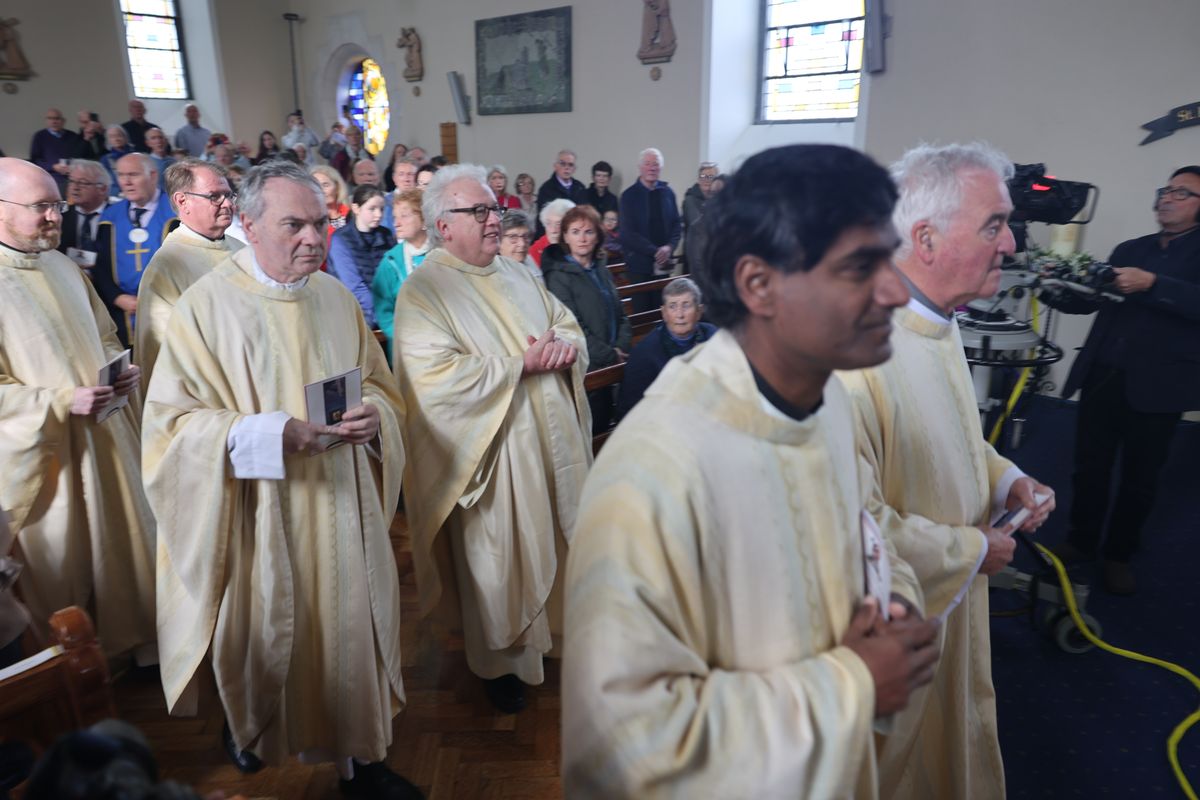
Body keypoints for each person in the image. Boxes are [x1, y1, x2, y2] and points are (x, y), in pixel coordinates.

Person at [562, 144, 936, 797]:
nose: (897, 291)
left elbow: (865, 526)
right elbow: (623, 745)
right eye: (859, 268)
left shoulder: (829, 403)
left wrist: (890, 597)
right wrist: (855, 683)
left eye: (890, 259)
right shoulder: (655, 470)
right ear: (758, 284)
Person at [142, 160, 418, 798]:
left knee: (352, 628)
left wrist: (377, 415)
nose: (313, 239)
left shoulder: (331, 297)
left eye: (321, 223)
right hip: (261, 510)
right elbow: (171, 429)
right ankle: (249, 731)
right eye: (294, 224)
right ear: (249, 224)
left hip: (346, 504)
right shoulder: (205, 308)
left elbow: (378, 383)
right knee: (267, 629)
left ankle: (363, 760)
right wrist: (267, 433)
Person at [837, 142, 1056, 800]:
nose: (1012, 242)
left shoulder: (934, 321)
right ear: (925, 238)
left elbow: (953, 438)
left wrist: (1003, 479)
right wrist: (969, 549)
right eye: (994, 223)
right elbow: (848, 525)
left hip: (948, 602)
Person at [392, 164, 592, 715]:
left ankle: (555, 638)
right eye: (477, 211)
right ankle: (503, 664)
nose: (492, 220)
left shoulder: (518, 272)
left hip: (553, 442)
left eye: (494, 209)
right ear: (441, 223)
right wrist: (517, 366)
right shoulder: (424, 291)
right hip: (493, 453)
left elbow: (565, 323)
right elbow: (432, 380)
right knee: (500, 558)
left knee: (556, 539)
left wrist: (566, 348)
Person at [0, 157, 156, 661]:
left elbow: (105, 335)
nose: (55, 217)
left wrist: (119, 368)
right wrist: (62, 401)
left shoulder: (64, 265)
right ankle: (72, 672)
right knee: (65, 567)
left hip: (106, 439)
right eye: (41, 207)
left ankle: (128, 648)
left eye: (57, 205)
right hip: (48, 457)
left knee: (123, 549)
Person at [1050, 166, 1200, 595]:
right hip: (1103, 376)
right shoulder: (1131, 248)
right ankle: (1081, 541)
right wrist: (1058, 288)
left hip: (1160, 388)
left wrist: (1153, 284)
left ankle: (1119, 555)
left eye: (1182, 193)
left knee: (1141, 479)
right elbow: (1095, 301)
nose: (1167, 198)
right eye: (1166, 190)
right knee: (1089, 468)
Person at [135, 159, 242, 390]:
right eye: (215, 196)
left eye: (229, 195)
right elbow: (164, 348)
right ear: (182, 201)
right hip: (211, 387)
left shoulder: (240, 250)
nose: (227, 204)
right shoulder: (167, 266)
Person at [543, 204, 632, 433]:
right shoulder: (559, 276)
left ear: (597, 237)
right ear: (565, 236)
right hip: (587, 367)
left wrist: (621, 346)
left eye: (588, 232)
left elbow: (621, 314)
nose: (582, 238)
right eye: (575, 232)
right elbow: (573, 328)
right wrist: (610, 354)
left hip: (613, 359)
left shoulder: (600, 269)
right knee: (595, 430)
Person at [94, 153, 178, 348]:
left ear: (153, 176)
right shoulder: (110, 217)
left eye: (134, 174)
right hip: (124, 313)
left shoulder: (177, 213)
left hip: (170, 309)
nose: (126, 182)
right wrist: (117, 297)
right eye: (121, 175)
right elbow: (102, 266)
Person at [615, 276, 717, 419]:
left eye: (686, 305)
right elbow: (630, 411)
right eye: (673, 306)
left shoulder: (714, 336)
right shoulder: (645, 354)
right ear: (664, 313)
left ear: (699, 311)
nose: (680, 314)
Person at [620, 147, 681, 311]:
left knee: (663, 312)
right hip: (639, 265)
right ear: (640, 167)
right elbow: (626, 234)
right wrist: (655, 251)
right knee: (643, 313)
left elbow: (676, 225)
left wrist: (669, 248)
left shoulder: (668, 193)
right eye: (647, 164)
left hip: (664, 265)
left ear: (660, 168)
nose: (652, 168)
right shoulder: (628, 196)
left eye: (655, 164)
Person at [371, 188, 429, 360]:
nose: (396, 223)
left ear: (425, 219)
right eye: (395, 217)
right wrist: (404, 340)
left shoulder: (445, 254)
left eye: (404, 216)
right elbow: (384, 312)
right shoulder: (390, 261)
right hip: (407, 353)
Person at [327, 183, 395, 328]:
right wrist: (383, 315)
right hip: (354, 314)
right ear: (356, 208)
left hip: (387, 311)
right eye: (372, 209)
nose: (379, 214)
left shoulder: (386, 235)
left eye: (382, 209)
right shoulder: (340, 239)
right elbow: (354, 286)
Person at [58, 159, 111, 274]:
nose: (75, 187)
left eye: (83, 182)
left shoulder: (117, 217)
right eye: (72, 181)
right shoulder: (61, 218)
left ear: (102, 189)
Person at [30, 108, 86, 193]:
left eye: (57, 118)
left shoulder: (72, 136)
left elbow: (80, 156)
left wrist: (72, 166)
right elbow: (35, 161)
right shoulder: (40, 136)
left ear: (63, 121)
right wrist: (53, 166)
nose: (54, 122)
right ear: (46, 121)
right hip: (50, 177)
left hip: (72, 176)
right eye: (50, 118)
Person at [682, 161, 719, 269]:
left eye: (711, 176)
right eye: (703, 176)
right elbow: (700, 227)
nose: (706, 180)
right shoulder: (690, 200)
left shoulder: (718, 200)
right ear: (698, 179)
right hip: (696, 260)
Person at [536, 150, 588, 222]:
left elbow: (585, 212)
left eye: (570, 165)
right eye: (563, 164)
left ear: (574, 169)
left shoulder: (580, 187)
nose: (567, 168)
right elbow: (543, 218)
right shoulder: (546, 189)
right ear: (555, 166)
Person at [530, 198, 574, 266]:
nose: (553, 230)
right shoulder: (536, 250)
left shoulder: (578, 245)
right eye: (548, 223)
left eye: (558, 224)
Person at [499, 209, 540, 281]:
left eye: (525, 236)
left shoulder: (529, 261)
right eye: (513, 237)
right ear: (498, 240)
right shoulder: (494, 273)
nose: (522, 244)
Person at [311, 163, 351, 235]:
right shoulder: (312, 220)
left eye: (325, 185)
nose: (321, 190)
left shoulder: (353, 212)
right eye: (316, 186)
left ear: (337, 187)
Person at [381, 158, 419, 231]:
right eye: (401, 174)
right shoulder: (385, 203)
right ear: (394, 178)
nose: (406, 179)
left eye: (410, 174)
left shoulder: (423, 201)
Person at [99, 126, 135, 191]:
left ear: (125, 137)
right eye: (112, 136)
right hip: (117, 194)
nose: (116, 139)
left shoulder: (135, 155)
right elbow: (105, 182)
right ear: (108, 140)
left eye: (119, 135)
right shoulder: (105, 160)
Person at [144, 127, 175, 191]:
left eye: (160, 137)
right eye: (153, 138)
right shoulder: (145, 163)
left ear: (166, 140)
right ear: (148, 143)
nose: (158, 141)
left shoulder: (174, 162)